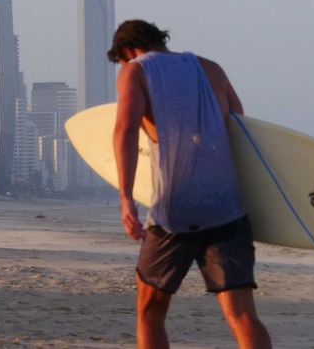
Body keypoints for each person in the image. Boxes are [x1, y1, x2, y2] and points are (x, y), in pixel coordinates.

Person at [109, 19, 271, 349]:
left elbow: (125, 131)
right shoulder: (212, 69)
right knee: (242, 316)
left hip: (174, 212)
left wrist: (126, 199)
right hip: (227, 210)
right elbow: (240, 129)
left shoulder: (135, 71)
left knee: (150, 311)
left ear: (128, 52)